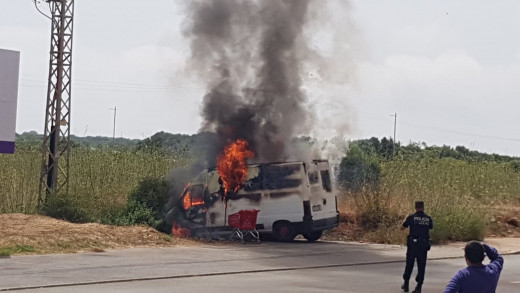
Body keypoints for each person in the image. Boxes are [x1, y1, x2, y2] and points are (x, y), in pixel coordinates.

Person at [400, 201, 433, 293]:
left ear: (415, 207)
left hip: (413, 245)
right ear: (423, 207)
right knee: (421, 266)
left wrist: (405, 219)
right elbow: (431, 227)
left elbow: (402, 227)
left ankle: (406, 284)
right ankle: (419, 287)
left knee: (409, 264)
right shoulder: (428, 218)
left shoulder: (412, 217)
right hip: (423, 245)